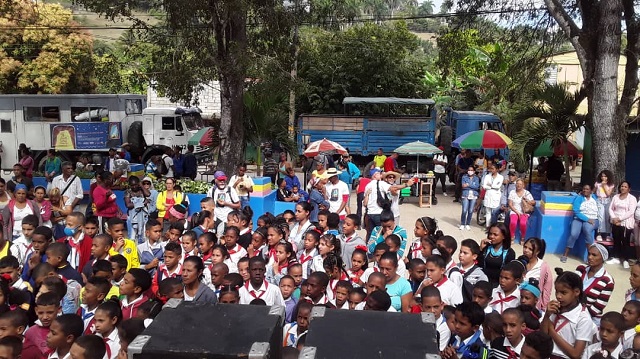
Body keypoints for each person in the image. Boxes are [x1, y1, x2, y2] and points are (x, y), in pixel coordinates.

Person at [540, 271, 595, 359]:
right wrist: (547, 315)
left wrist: (551, 330)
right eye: (557, 292)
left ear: (576, 292)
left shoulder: (583, 319)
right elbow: (542, 337)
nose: (558, 296)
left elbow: (575, 354)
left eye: (563, 293)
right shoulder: (555, 308)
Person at [575, 243, 615, 326]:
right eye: (589, 254)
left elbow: (597, 308)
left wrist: (577, 316)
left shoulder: (607, 281)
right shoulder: (581, 269)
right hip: (572, 312)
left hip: (590, 319)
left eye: (594, 255)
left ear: (603, 258)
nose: (590, 257)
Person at [561, 184, 599, 262]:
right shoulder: (579, 198)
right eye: (584, 189)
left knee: (587, 230)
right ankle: (565, 254)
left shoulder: (595, 198)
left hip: (593, 219)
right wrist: (587, 219)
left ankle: (590, 256)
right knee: (574, 234)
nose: (585, 190)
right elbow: (576, 211)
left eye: (587, 189)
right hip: (579, 219)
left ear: (591, 191)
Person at [608, 181, 637, 267]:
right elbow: (611, 208)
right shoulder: (615, 197)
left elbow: (631, 211)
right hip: (615, 221)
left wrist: (620, 219)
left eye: (625, 187)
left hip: (625, 222)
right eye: (622, 186)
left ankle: (625, 259)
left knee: (625, 241)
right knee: (616, 240)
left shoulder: (632, 198)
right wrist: (614, 218)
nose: (623, 188)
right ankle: (616, 258)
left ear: (629, 189)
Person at [479, 223, 515, 288]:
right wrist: (481, 250)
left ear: (504, 236)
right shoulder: (486, 248)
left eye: (495, 235)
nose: (491, 236)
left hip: (498, 285)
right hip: (482, 281)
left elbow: (508, 273)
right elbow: (479, 265)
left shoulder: (509, 253)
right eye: (490, 234)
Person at [522, 237, 552, 311]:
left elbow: (547, 288)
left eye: (530, 249)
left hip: (533, 307)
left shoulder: (543, 266)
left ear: (537, 252)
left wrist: (544, 307)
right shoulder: (519, 262)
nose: (526, 250)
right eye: (525, 247)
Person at [594, 170, 615, 242]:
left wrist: (604, 185)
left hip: (607, 200)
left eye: (605, 176)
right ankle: (599, 233)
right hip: (599, 200)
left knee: (607, 217)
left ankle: (608, 234)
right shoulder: (597, 183)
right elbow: (594, 191)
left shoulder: (610, 185)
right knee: (600, 216)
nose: (603, 178)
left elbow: (608, 194)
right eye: (602, 176)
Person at [460, 166, 480, 230]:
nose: (470, 171)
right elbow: (463, 186)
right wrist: (472, 186)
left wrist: (468, 185)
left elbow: (477, 187)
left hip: (473, 195)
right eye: (469, 170)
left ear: (474, 171)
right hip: (465, 194)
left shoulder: (476, 178)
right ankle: (463, 223)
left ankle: (468, 223)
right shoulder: (464, 177)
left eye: (471, 170)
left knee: (471, 210)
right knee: (464, 210)